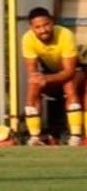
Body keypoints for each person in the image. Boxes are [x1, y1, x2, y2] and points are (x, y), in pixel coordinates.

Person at [21, 7, 84, 146]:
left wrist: (47, 79)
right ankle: (35, 137)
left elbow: (69, 71)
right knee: (33, 85)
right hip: (50, 72)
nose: (43, 30)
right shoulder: (27, 38)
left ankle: (75, 137)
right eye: (38, 27)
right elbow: (32, 72)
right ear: (31, 28)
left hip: (75, 71)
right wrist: (38, 79)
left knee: (69, 86)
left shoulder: (65, 34)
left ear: (52, 22)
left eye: (46, 25)